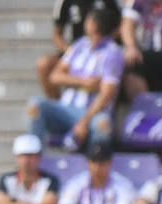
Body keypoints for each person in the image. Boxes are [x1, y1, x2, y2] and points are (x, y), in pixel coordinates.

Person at [27, 5, 123, 149]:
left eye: (89, 20)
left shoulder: (113, 53)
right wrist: (83, 82)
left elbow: (106, 94)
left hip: (92, 113)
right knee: (35, 105)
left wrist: (84, 122)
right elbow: (55, 77)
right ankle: (32, 154)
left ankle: (95, 164)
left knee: (103, 124)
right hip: (66, 109)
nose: (85, 22)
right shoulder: (80, 45)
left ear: (94, 25)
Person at [37, 0, 120, 99]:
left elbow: (120, 24)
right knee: (44, 64)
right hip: (77, 49)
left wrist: (104, 43)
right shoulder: (65, 2)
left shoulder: (109, 3)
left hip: (102, 49)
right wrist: (70, 52)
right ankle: (57, 105)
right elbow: (56, 35)